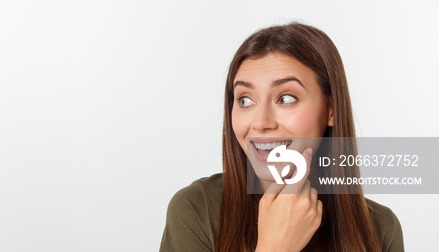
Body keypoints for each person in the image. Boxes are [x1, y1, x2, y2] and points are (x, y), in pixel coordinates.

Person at [159, 22, 404, 252]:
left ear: (331, 110)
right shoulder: (196, 209)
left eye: (285, 98)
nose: (261, 122)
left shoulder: (381, 228)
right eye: (245, 100)